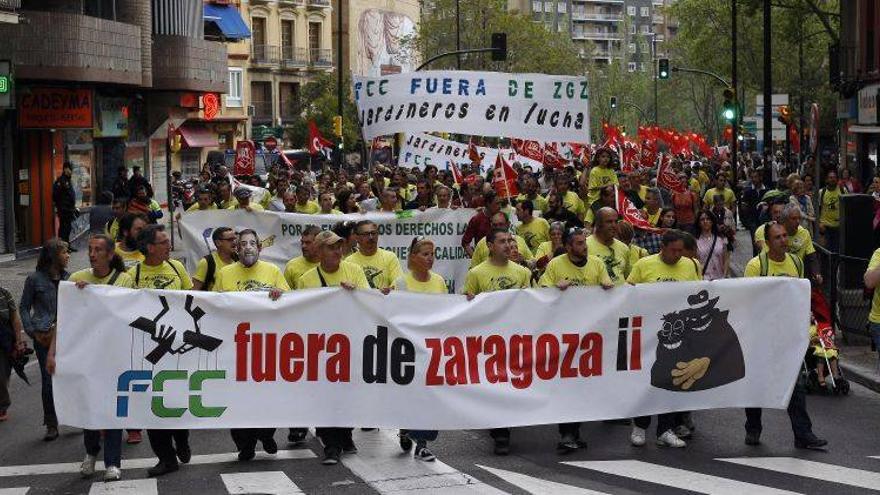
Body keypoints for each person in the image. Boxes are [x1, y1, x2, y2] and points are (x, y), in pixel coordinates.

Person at [742, 222, 828, 450]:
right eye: (777, 237)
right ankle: (753, 427)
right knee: (757, 384)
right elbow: (747, 300)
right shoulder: (756, 265)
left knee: (796, 385)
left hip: (787, 336)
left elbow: (799, 295)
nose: (783, 240)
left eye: (784, 236)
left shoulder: (796, 262)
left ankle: (803, 434)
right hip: (761, 336)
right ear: (768, 242)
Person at [54, 234, 133, 481]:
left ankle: (112, 462)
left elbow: (126, 313)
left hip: (114, 356)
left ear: (110, 255)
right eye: (90, 249)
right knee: (88, 405)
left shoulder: (125, 280)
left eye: (98, 249)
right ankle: (90, 453)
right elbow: (64, 321)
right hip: (86, 356)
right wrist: (53, 352)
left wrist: (96, 295)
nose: (92, 253)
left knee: (111, 409)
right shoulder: (76, 280)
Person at [213, 229, 287, 461]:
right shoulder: (225, 273)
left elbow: (290, 302)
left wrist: (280, 294)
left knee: (267, 397)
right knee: (238, 400)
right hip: (235, 347)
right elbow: (215, 304)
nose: (247, 247)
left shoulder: (273, 271)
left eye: (252, 243)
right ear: (236, 248)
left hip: (265, 346)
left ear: (260, 247)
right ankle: (245, 445)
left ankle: (266, 434)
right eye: (242, 243)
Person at [538, 228, 613, 454]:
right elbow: (539, 293)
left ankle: (575, 431)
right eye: (579, 244)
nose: (585, 247)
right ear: (569, 247)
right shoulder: (555, 265)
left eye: (585, 243)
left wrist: (608, 289)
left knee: (582, 385)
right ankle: (566, 433)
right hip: (564, 335)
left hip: (591, 335)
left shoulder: (597, 264)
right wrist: (554, 289)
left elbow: (608, 286)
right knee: (567, 384)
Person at [298, 230, 369, 465]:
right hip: (321, 347)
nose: (337, 251)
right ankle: (331, 445)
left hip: (350, 345)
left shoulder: (355, 271)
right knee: (325, 397)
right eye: (331, 247)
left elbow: (371, 303)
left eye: (339, 246)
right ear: (319, 252)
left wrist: (356, 294)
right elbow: (297, 313)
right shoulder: (306, 279)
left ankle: (345, 434)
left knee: (348, 395)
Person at [127, 225, 193, 477]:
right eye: (164, 242)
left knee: (176, 402)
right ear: (149, 247)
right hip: (149, 351)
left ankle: (182, 439)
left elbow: (193, 298)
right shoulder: (133, 274)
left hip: (178, 352)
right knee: (153, 407)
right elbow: (115, 302)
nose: (169, 245)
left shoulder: (177, 269)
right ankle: (166, 458)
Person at [628, 230, 701, 449]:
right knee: (647, 382)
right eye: (674, 250)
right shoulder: (644, 265)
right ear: (663, 246)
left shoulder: (690, 265)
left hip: (678, 335)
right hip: (649, 334)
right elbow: (629, 293)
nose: (678, 255)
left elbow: (696, 294)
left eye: (681, 250)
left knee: (671, 382)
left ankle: (665, 430)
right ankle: (640, 428)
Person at [463, 228, 532, 455]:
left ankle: (504, 424)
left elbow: (532, 304)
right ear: (490, 246)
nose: (506, 244)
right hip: (489, 341)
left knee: (511, 383)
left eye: (509, 240)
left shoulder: (522, 273)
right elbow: (466, 307)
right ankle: (501, 433)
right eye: (501, 241)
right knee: (496, 384)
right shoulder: (476, 273)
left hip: (515, 337)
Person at [395, 236, 448, 462]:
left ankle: (423, 444)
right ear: (413, 257)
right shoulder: (401, 283)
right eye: (425, 254)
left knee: (430, 396)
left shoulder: (439, 281)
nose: (430, 258)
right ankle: (406, 428)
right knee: (410, 395)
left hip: (432, 349)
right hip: (409, 349)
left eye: (432, 254)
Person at [19, 238, 70, 440]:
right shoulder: (34, 279)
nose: (68, 256)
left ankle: (76, 416)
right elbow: (24, 306)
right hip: (44, 336)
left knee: (71, 377)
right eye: (64, 252)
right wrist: (31, 331)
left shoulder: (70, 277)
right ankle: (51, 423)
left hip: (67, 335)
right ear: (53, 256)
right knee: (49, 380)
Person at [348, 220, 402, 291]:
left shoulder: (390, 257)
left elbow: (399, 283)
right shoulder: (349, 261)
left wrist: (391, 288)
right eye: (366, 234)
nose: (371, 237)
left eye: (373, 233)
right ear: (357, 238)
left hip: (384, 300)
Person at [470, 212, 534, 268]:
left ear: (508, 224)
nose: (498, 228)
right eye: (495, 225)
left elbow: (533, 263)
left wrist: (523, 261)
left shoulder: (519, 240)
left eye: (501, 224)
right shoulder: (482, 243)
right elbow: (473, 267)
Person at [0, 283, 25, 423]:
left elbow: (15, 318)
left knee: (2, 375)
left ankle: (2, 405)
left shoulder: (5, 293)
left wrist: (19, 341)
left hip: (4, 342)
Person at [586, 208, 630, 285]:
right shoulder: (585, 246)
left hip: (620, 296)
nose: (614, 225)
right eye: (609, 222)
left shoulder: (624, 248)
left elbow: (627, 277)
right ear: (598, 224)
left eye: (616, 222)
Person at [461, 192, 503, 257]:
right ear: (488, 204)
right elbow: (465, 243)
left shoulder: (503, 217)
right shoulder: (476, 219)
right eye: (497, 203)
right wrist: (475, 260)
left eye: (500, 203)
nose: (500, 206)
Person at [696, 211, 729, 280]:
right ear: (699, 223)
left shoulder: (722, 239)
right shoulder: (695, 241)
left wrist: (725, 276)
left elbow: (726, 259)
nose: (705, 221)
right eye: (702, 219)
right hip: (703, 279)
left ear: (712, 221)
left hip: (720, 278)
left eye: (708, 219)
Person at [52, 162, 78, 249]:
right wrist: (61, 206)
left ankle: (67, 246)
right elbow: (55, 195)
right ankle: (62, 247)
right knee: (63, 228)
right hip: (64, 210)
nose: (71, 171)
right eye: (70, 169)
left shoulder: (68, 180)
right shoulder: (61, 181)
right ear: (65, 169)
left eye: (71, 169)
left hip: (69, 209)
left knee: (68, 228)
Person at [818, 170, 842, 253]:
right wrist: (819, 223)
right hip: (826, 226)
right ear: (827, 180)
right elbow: (817, 209)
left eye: (834, 177)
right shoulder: (821, 192)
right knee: (826, 250)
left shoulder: (843, 190)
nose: (833, 179)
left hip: (838, 226)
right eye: (830, 177)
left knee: (837, 250)